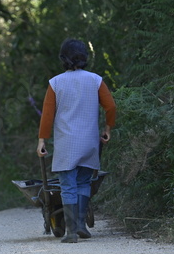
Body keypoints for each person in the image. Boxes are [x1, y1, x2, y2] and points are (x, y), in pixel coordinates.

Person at [37, 38, 116, 243]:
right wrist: (107, 128)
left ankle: (71, 232)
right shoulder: (96, 80)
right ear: (85, 58)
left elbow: (47, 115)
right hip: (89, 142)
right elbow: (111, 107)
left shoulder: (56, 83)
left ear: (63, 59)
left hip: (66, 144)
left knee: (68, 186)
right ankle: (81, 225)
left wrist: (42, 140)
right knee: (83, 183)